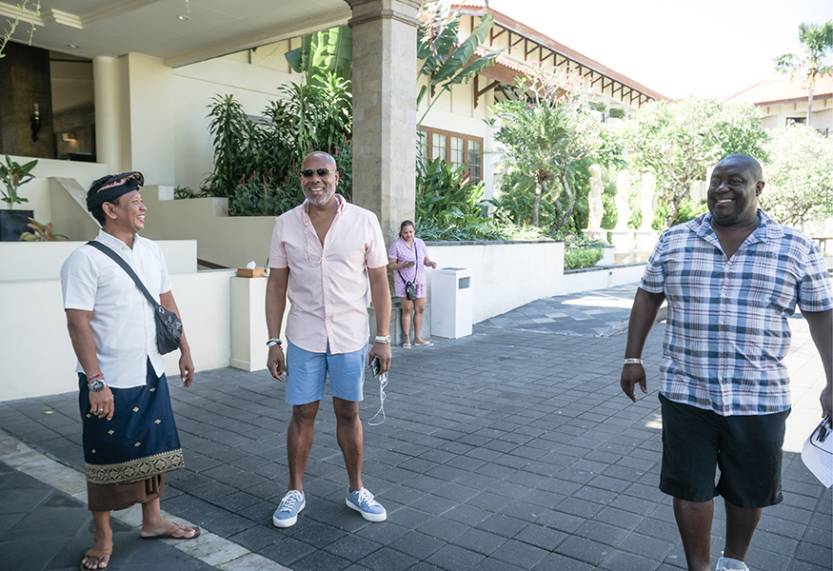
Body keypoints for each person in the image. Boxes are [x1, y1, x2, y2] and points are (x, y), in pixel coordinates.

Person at [620, 154, 832, 571]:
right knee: (689, 487)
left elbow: (821, 315)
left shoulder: (795, 246)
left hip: (759, 397)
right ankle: (698, 567)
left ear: (759, 188)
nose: (721, 188)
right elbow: (648, 294)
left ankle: (733, 562)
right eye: (716, 180)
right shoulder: (676, 239)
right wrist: (632, 356)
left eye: (734, 181)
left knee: (748, 491)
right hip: (686, 391)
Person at [60, 171, 199, 571]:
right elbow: (78, 323)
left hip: (150, 368)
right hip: (110, 378)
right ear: (110, 209)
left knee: (155, 448)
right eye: (135, 201)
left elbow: (167, 302)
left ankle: (153, 521)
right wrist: (95, 381)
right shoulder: (84, 260)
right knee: (105, 454)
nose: (143, 207)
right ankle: (103, 537)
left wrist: (185, 349)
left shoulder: (152, 251)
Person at [265, 151, 393, 528]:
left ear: (336, 176)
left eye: (322, 172)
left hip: (350, 335)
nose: (315, 180)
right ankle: (295, 491)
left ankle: (356, 489)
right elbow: (276, 285)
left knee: (348, 412)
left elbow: (379, 282)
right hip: (303, 335)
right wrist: (273, 342)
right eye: (308, 174)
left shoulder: (364, 221)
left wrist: (383, 337)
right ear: (301, 179)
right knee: (302, 413)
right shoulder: (285, 224)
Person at [388, 220, 437, 348]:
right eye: (405, 232)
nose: (408, 234)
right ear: (401, 232)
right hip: (405, 283)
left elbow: (425, 260)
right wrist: (403, 265)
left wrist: (430, 263)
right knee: (407, 309)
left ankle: (418, 338)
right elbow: (391, 266)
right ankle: (406, 338)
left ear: (414, 231)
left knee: (420, 309)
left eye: (411, 232)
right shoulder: (396, 246)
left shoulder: (419, 243)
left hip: (420, 281)